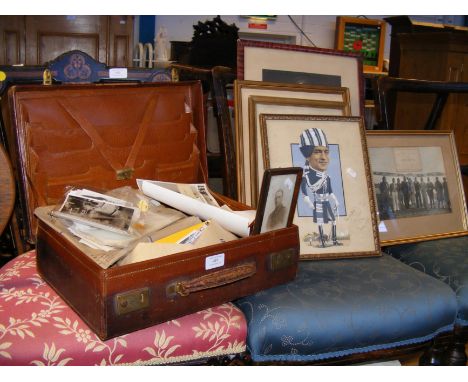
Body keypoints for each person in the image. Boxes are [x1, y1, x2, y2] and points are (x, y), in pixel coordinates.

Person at [299, 127, 341, 248]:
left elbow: (331, 192)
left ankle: (334, 240)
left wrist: (336, 201)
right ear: (307, 156)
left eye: (326, 152)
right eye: (317, 151)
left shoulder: (326, 177)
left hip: (327, 202)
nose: (324, 157)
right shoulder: (306, 177)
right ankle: (322, 242)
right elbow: (304, 193)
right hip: (318, 203)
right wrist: (309, 203)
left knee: (333, 220)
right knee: (320, 223)